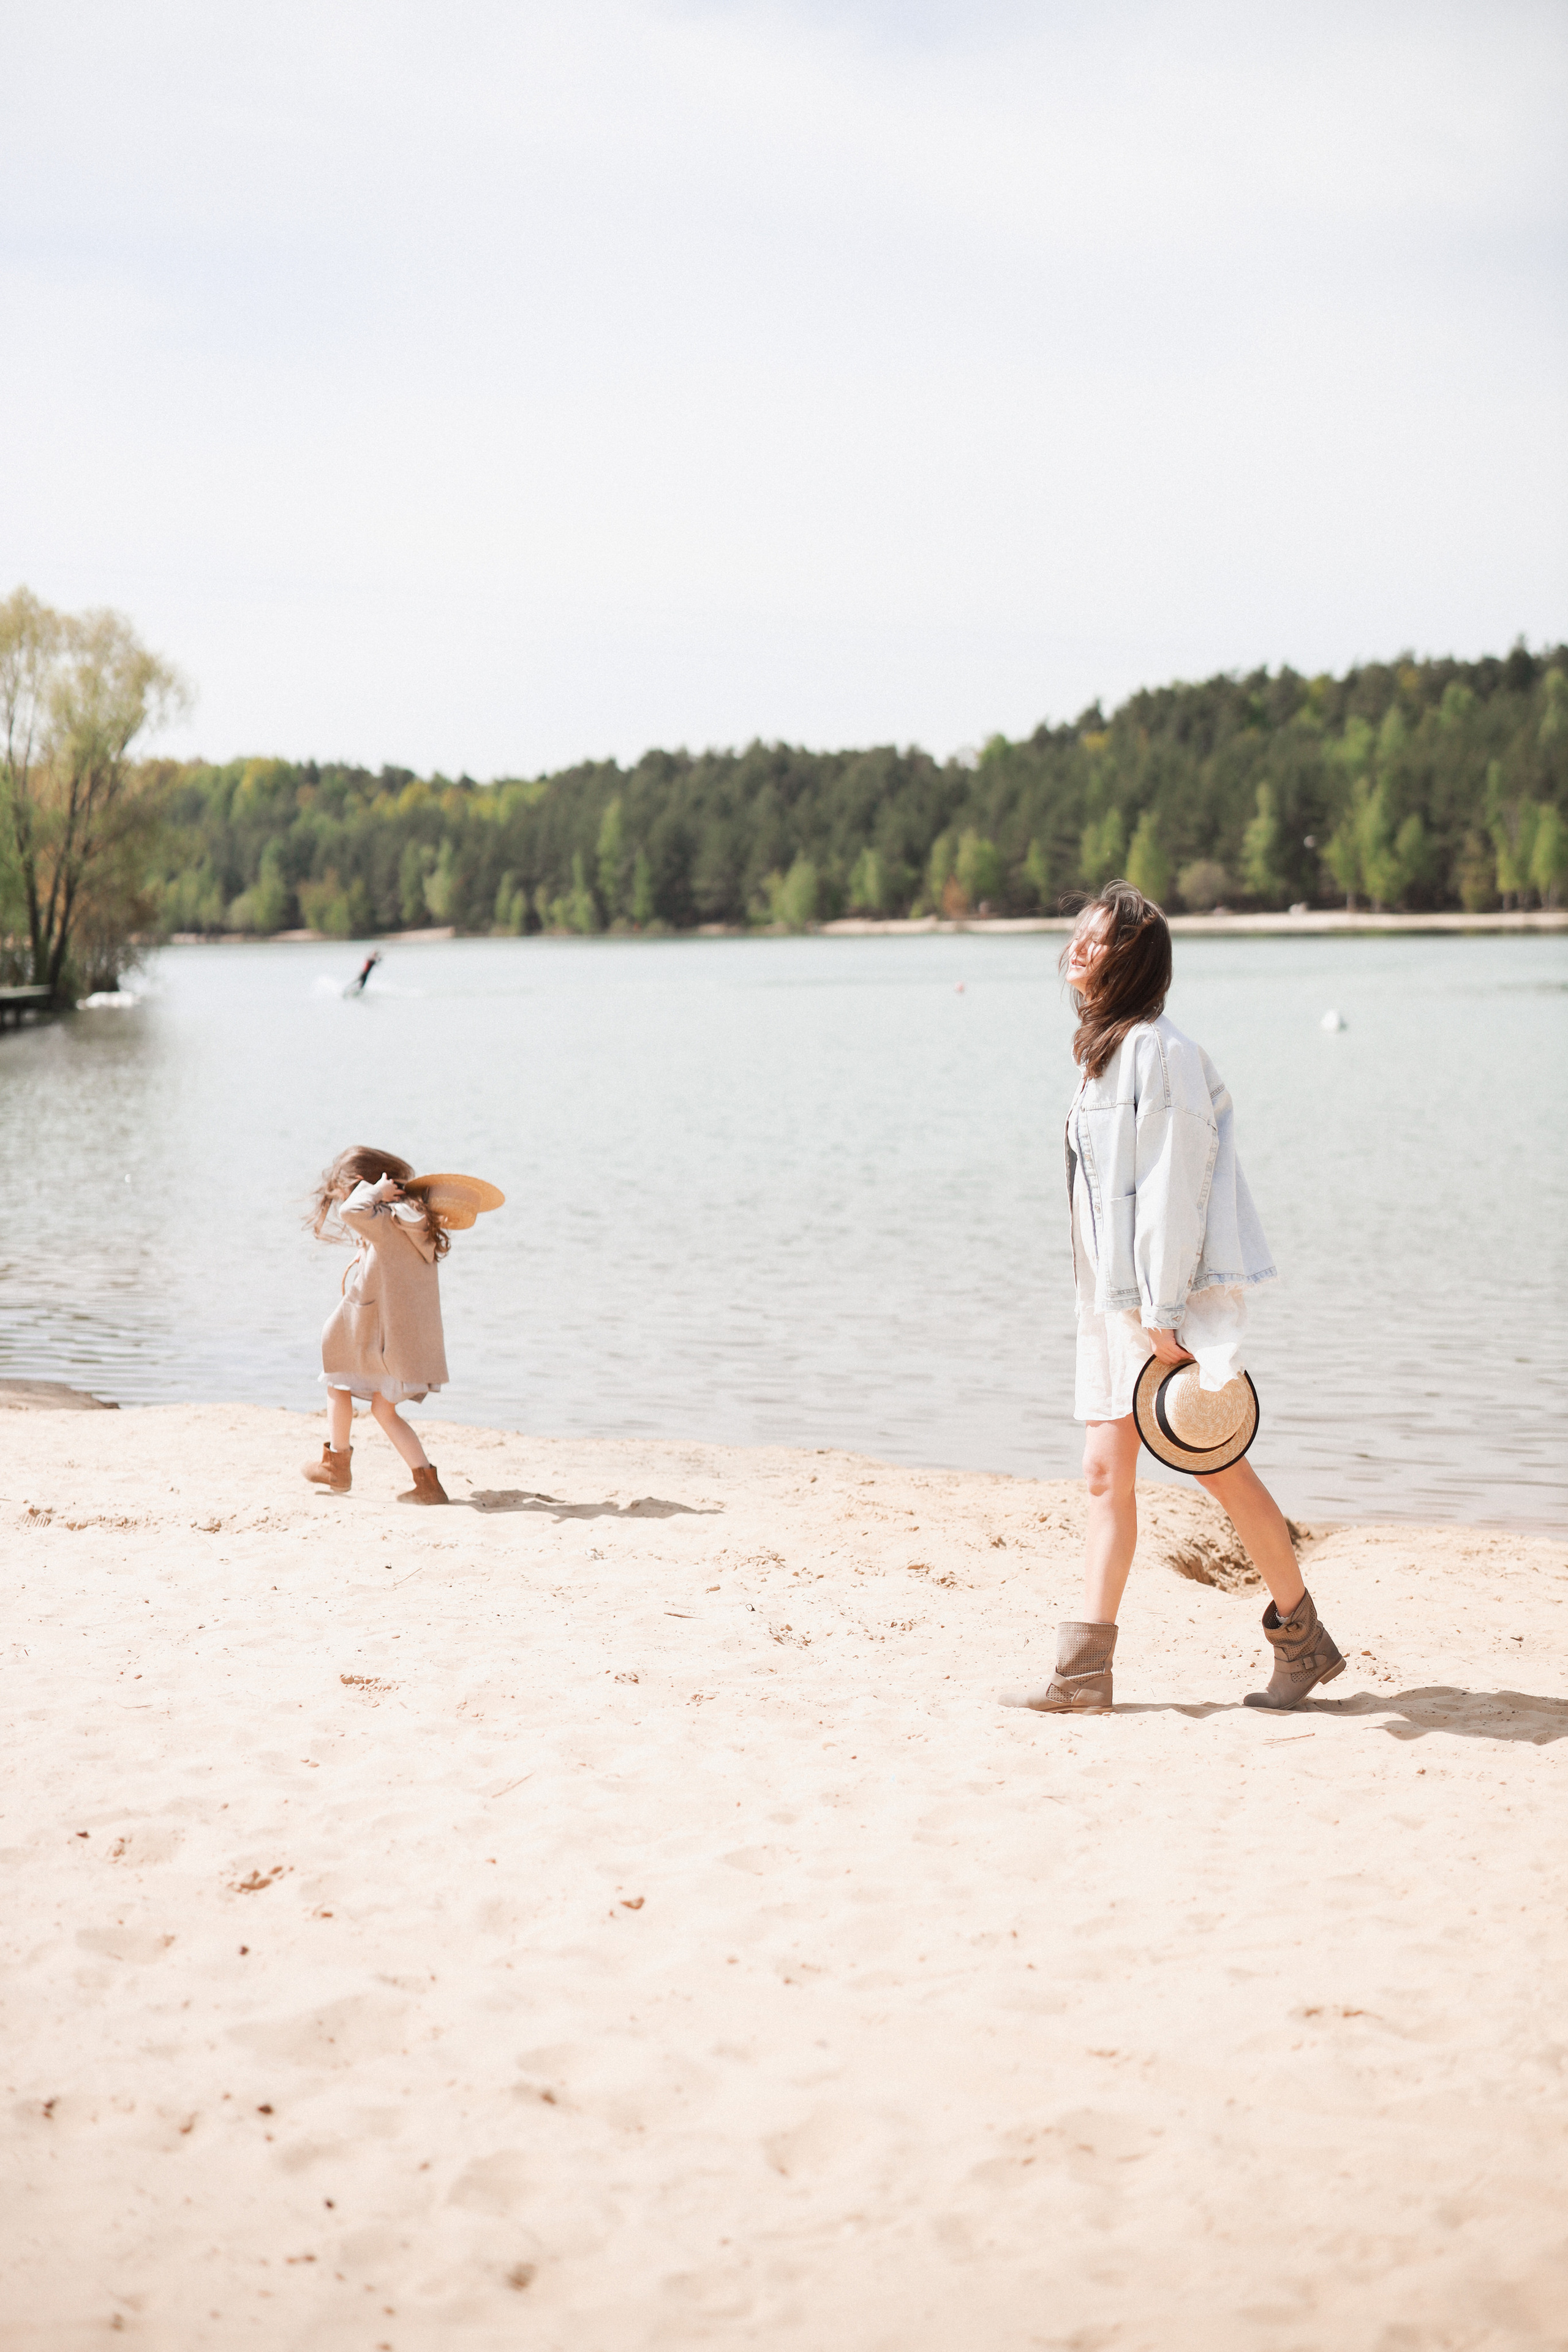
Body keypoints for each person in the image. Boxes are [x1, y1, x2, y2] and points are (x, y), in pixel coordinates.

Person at [1003, 881, 1344, 1714]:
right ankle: (1083, 1676)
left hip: (1160, 1303)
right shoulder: (1107, 1054)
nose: (1078, 948)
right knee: (1101, 1476)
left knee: (1219, 1471)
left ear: (1134, 961)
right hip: (1112, 1306)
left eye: (1098, 939)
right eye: (1077, 934)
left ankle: (1301, 1641)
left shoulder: (1162, 1054)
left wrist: (1159, 1313)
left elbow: (1173, 1190)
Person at [303, 1147, 453, 1504]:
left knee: (337, 1378)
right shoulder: (413, 1221)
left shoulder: (385, 1220)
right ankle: (427, 1485)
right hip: (405, 1342)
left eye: (349, 1190)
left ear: (363, 1187)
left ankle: (337, 1465)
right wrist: (369, 1245)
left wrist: (374, 1194)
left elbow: (350, 1210)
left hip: (383, 1340)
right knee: (383, 1410)